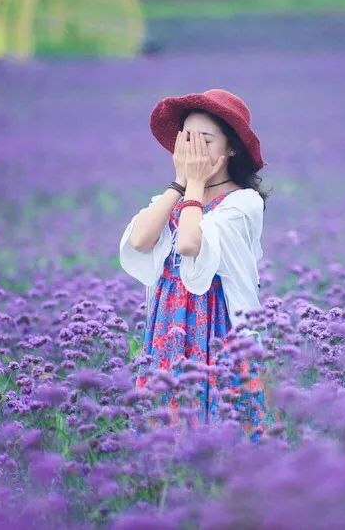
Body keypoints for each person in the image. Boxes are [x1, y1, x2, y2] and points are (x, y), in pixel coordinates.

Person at [119, 89, 275, 443]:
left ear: (230, 147)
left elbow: (191, 243)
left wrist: (194, 185)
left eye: (205, 140)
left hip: (218, 319)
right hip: (170, 319)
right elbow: (139, 241)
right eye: (186, 139)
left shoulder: (243, 202)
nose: (193, 150)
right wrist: (179, 183)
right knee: (168, 418)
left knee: (222, 415)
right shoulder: (175, 195)